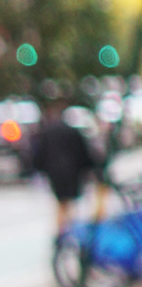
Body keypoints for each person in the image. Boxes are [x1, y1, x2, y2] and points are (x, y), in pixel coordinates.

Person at [26, 97, 99, 232]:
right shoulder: (73, 131)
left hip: (54, 172)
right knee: (69, 202)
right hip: (72, 171)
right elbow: (83, 152)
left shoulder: (47, 132)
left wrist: (38, 169)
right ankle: (68, 229)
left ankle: (62, 230)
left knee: (61, 202)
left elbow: (39, 153)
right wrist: (89, 168)